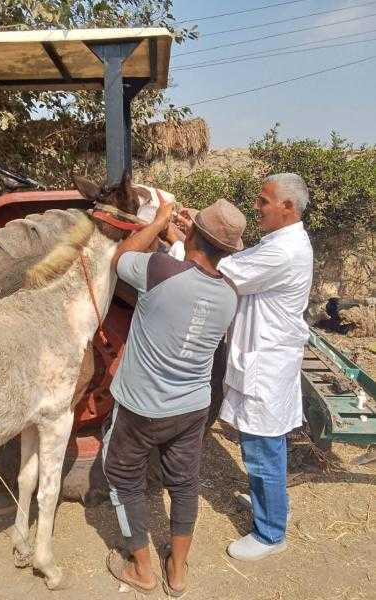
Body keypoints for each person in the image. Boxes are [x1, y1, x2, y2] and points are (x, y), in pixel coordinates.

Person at [103, 195, 246, 595]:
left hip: (140, 407)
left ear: (195, 233)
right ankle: (178, 572)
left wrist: (160, 221)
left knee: (123, 479)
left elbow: (120, 255)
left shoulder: (159, 268)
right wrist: (183, 238)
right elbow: (193, 283)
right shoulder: (230, 294)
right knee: (184, 485)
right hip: (192, 408)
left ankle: (142, 570)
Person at [173, 172, 313, 562]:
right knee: (263, 443)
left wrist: (183, 243)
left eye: (263, 201)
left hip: (266, 363)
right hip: (266, 358)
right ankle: (270, 507)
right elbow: (243, 259)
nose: (257, 207)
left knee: (262, 446)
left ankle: (270, 533)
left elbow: (221, 271)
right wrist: (197, 232)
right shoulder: (282, 242)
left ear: (287, 206)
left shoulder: (283, 251)